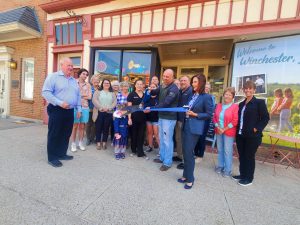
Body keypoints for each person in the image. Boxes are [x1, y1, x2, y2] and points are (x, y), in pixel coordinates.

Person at [42, 58, 81, 167]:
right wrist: (59, 103)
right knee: (55, 133)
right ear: (61, 65)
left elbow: (78, 95)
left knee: (66, 133)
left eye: (72, 65)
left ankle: (61, 154)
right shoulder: (53, 77)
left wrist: (79, 109)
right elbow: (45, 92)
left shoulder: (74, 80)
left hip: (70, 111)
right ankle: (52, 157)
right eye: (68, 65)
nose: (71, 67)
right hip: (57, 110)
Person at [177, 74, 213, 189]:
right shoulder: (192, 95)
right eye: (193, 82)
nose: (193, 84)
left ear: (201, 83)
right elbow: (187, 107)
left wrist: (195, 114)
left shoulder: (206, 97)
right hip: (186, 125)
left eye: (195, 82)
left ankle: (190, 179)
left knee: (189, 153)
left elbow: (209, 114)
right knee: (185, 152)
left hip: (194, 128)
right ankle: (185, 176)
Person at [232, 80, 269, 186]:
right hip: (241, 135)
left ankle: (249, 178)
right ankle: (242, 174)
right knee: (242, 156)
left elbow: (266, 118)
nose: (248, 90)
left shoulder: (259, 103)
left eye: (250, 88)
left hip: (253, 136)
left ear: (254, 90)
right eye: (246, 88)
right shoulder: (241, 104)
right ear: (243, 90)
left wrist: (257, 128)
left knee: (249, 156)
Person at [151, 69, 179, 171]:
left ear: (172, 77)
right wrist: (149, 90)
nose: (165, 78)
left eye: (167, 76)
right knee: (161, 138)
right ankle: (162, 157)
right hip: (161, 116)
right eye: (164, 76)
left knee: (167, 140)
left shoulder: (174, 89)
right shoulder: (163, 85)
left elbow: (167, 102)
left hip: (169, 118)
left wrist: (153, 108)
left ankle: (167, 162)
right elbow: (155, 91)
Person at [213, 87, 239, 177]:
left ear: (233, 97)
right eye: (226, 94)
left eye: (229, 95)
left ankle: (228, 170)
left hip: (229, 132)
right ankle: (220, 166)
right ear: (223, 95)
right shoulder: (219, 105)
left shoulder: (235, 106)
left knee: (227, 151)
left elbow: (235, 121)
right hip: (218, 131)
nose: (227, 96)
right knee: (220, 149)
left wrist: (224, 129)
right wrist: (218, 127)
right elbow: (214, 118)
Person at [70, 69, 91, 152]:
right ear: (79, 74)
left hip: (85, 106)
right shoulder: (73, 83)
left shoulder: (88, 85)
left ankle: (80, 142)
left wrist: (79, 96)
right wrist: (83, 95)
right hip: (75, 107)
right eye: (83, 74)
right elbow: (72, 95)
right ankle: (73, 144)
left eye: (86, 75)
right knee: (75, 126)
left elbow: (89, 97)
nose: (85, 76)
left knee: (82, 126)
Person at [92, 79, 117, 150]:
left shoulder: (112, 93)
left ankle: (104, 142)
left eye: (108, 83)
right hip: (99, 112)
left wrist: (109, 108)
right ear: (102, 84)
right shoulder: (98, 92)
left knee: (106, 128)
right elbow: (94, 100)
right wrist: (101, 107)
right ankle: (98, 142)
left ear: (110, 85)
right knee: (98, 128)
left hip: (109, 112)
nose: (106, 84)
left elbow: (115, 102)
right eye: (105, 83)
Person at [174, 76, 193, 170]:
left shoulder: (191, 91)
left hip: (185, 120)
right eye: (181, 81)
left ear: (189, 82)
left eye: (185, 80)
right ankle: (179, 156)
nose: (182, 82)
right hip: (179, 119)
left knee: (185, 141)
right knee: (178, 139)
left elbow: (190, 106)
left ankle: (185, 161)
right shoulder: (181, 91)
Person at [194, 82, 215, 162]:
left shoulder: (210, 97)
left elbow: (210, 111)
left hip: (205, 121)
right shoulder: (199, 95)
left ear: (209, 89)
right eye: (205, 87)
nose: (206, 88)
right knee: (197, 137)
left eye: (208, 87)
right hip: (197, 119)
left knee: (202, 138)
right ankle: (195, 153)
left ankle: (200, 155)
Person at [127, 79, 149, 159]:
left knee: (141, 135)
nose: (139, 85)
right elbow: (129, 108)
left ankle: (140, 152)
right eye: (138, 84)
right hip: (134, 118)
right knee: (134, 135)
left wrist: (148, 110)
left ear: (143, 86)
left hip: (143, 118)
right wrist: (129, 118)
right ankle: (133, 150)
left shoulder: (145, 95)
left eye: (141, 84)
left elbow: (147, 106)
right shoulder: (131, 94)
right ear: (135, 85)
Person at [143, 82, 159, 153]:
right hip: (148, 118)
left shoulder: (158, 97)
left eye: (154, 87)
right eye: (151, 87)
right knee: (149, 133)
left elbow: (159, 106)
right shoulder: (148, 96)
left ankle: (161, 150)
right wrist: (148, 93)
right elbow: (144, 102)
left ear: (156, 88)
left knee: (156, 134)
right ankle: (150, 146)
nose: (152, 88)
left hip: (156, 118)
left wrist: (151, 108)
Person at [86, 75, 100, 145]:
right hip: (90, 108)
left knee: (95, 124)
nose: (96, 82)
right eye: (95, 80)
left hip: (98, 109)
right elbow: (87, 98)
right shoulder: (89, 88)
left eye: (97, 80)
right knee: (89, 124)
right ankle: (88, 138)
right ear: (92, 81)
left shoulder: (100, 89)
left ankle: (93, 137)